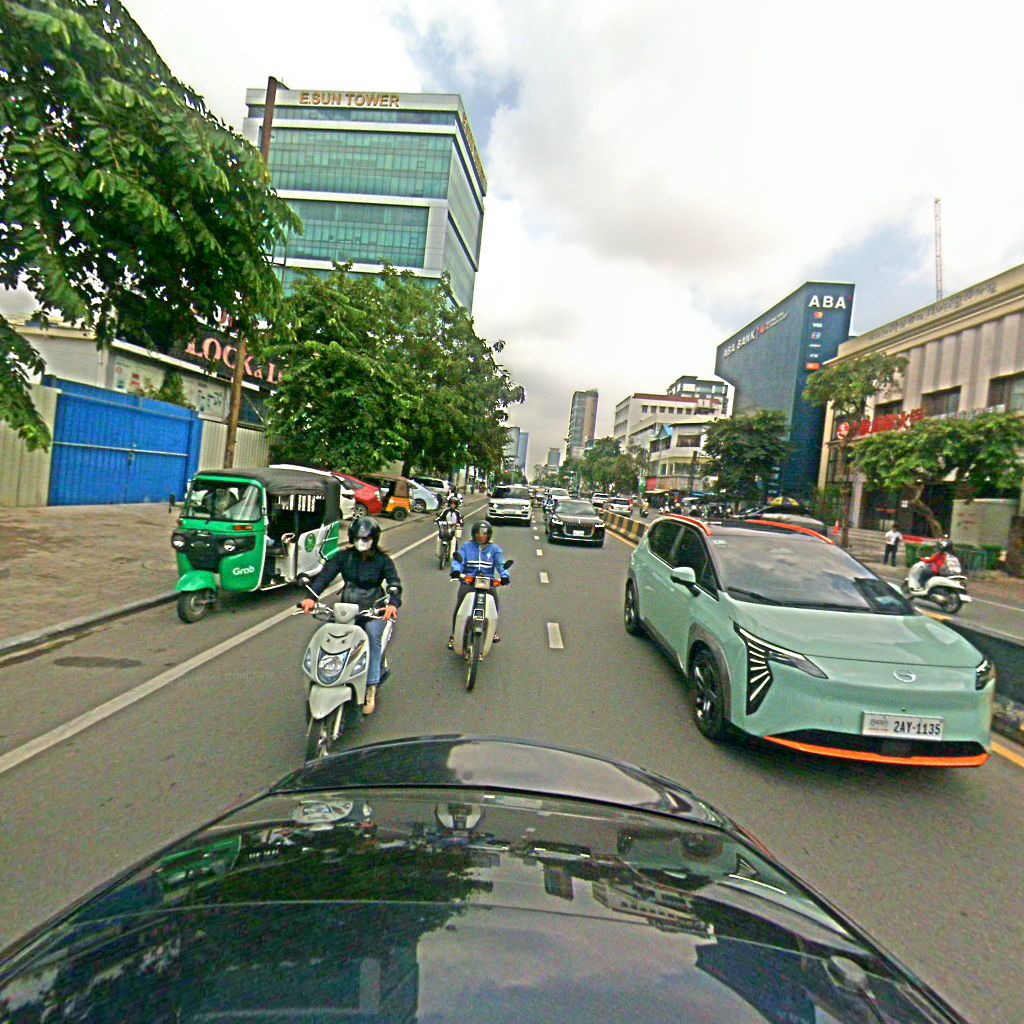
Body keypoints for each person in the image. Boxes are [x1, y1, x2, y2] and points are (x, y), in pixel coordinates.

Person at [300, 517, 401, 715]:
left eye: (366, 539)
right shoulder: (343, 557)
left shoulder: (383, 561)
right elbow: (324, 577)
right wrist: (311, 597)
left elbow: (394, 583)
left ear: (374, 539)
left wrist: (392, 603)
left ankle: (370, 686)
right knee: (328, 634)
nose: (361, 542)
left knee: (372, 636)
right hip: (347, 608)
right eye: (357, 538)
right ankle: (328, 674)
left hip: (373, 610)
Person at [448, 520, 509, 649]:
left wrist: (504, 576)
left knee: (494, 603)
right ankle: (454, 635)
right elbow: (459, 560)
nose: (481, 536)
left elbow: (501, 565)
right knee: (459, 606)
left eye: (484, 533)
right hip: (469, 581)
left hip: (488, 582)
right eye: (478, 533)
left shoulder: (494, 549)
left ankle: (492, 631)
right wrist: (456, 570)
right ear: (473, 534)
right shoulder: (466, 547)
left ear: (489, 535)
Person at [435, 496, 464, 560]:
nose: (452, 505)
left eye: (454, 504)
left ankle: (455, 555)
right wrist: (436, 520)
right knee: (439, 538)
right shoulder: (446, 511)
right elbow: (440, 517)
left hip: (453, 529)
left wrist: (459, 524)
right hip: (445, 528)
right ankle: (438, 553)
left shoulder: (458, 513)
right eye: (451, 503)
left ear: (456, 505)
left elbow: (461, 521)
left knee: (454, 542)